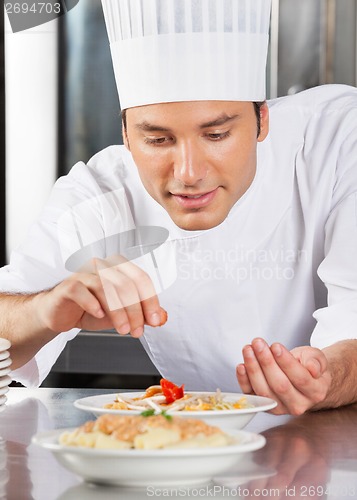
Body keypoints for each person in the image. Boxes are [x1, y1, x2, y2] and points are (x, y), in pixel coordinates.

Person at [1, 0, 357, 416]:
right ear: (127, 135)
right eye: (158, 140)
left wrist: (326, 377)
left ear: (262, 120)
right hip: (198, 449)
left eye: (217, 134)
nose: (188, 173)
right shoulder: (102, 192)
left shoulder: (338, 138)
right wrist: (45, 309)